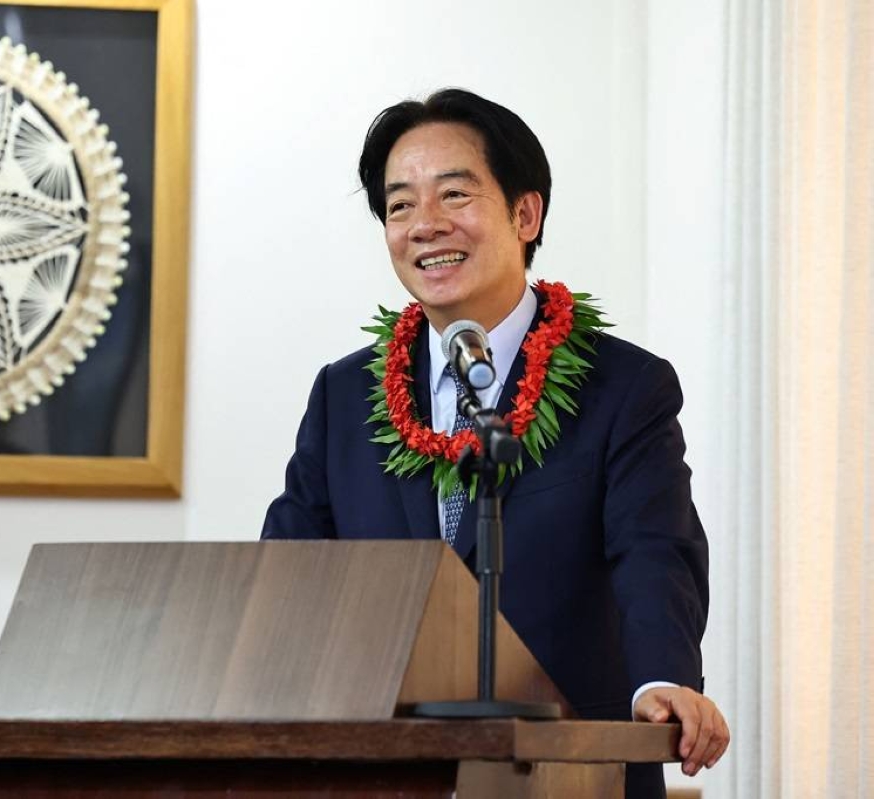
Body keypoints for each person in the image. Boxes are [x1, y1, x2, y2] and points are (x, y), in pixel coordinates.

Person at [261, 88, 729, 798]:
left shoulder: (624, 387)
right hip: (384, 775)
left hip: (569, 772)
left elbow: (654, 549)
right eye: (399, 205)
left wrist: (661, 680)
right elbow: (291, 573)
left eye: (454, 194)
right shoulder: (343, 396)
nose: (425, 225)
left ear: (525, 212)